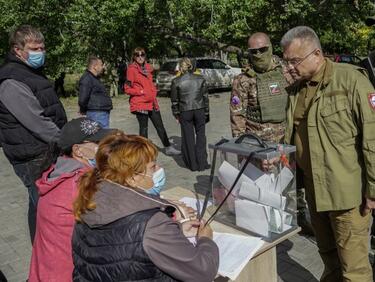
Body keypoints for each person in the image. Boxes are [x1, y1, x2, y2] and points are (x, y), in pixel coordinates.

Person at [281, 26, 375, 282]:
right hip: (314, 191)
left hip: (347, 196)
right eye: (286, 61)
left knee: (354, 269)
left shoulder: (351, 80)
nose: (289, 67)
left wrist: (373, 192)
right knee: (329, 258)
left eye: (294, 61)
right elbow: (292, 134)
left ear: (317, 54)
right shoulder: (296, 89)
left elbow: (372, 138)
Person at [72, 134, 219, 281]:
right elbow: (202, 272)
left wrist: (176, 229)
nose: (159, 169)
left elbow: (122, 243)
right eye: (153, 167)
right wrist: (206, 240)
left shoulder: (90, 200)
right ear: (132, 178)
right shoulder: (151, 222)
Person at [230, 32, 313, 235]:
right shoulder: (242, 80)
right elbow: (237, 116)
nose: (258, 54)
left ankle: (297, 216)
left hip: (285, 140)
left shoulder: (286, 72)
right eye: (253, 51)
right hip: (257, 144)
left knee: (291, 181)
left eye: (262, 49)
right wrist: (244, 151)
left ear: (270, 48)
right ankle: (262, 221)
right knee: (260, 187)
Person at [0, 25, 67, 242]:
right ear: (17, 50)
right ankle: (47, 256)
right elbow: (37, 122)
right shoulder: (12, 80)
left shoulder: (29, 72)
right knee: (46, 207)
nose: (40, 52)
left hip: (41, 151)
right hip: (33, 156)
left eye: (42, 47)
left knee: (36, 202)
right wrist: (66, 140)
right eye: (34, 48)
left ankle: (39, 251)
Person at [28, 117, 113, 282]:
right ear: (78, 150)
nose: (106, 147)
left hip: (46, 270)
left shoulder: (58, 170)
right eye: (99, 143)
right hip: (68, 273)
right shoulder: (81, 184)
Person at [124, 47, 180, 156]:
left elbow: (158, 73)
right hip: (140, 103)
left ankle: (168, 147)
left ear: (145, 56)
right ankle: (143, 153)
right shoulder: (131, 69)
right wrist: (141, 91)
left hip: (152, 103)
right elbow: (127, 88)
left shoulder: (148, 68)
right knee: (144, 129)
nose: (140, 57)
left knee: (160, 125)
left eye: (142, 55)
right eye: (137, 55)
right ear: (134, 57)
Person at [170, 58, 210, 171]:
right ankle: (202, 163)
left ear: (180, 67)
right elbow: (205, 97)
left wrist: (176, 114)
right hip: (199, 109)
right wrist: (206, 112)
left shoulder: (176, 81)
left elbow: (174, 101)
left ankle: (193, 165)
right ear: (191, 66)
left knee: (188, 138)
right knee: (201, 136)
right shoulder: (201, 78)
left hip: (185, 110)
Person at [78, 55, 113, 128]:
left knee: (102, 136)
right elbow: (82, 99)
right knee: (102, 137)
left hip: (99, 113)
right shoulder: (87, 78)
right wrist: (83, 110)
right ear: (95, 66)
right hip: (97, 113)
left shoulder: (94, 78)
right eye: (101, 65)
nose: (102, 67)